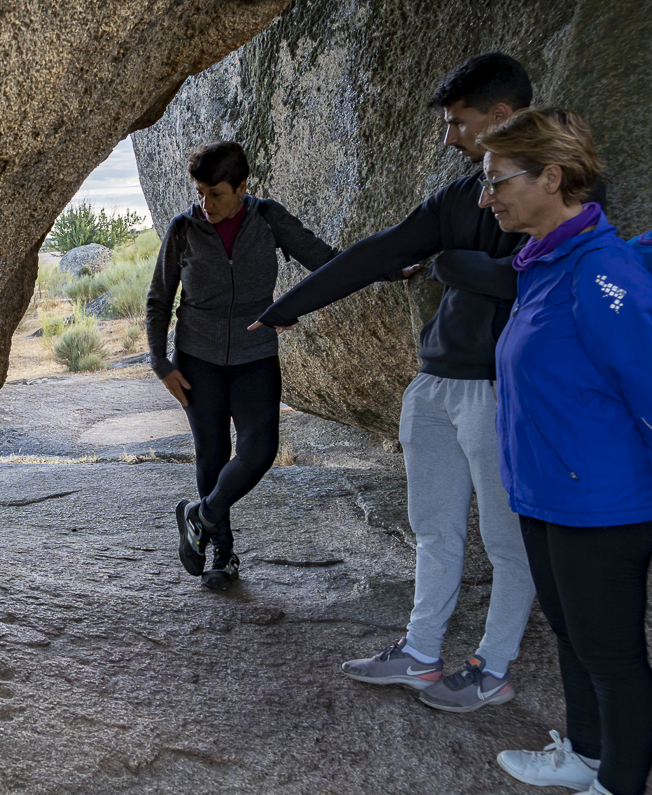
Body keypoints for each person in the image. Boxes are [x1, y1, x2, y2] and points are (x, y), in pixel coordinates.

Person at [249, 53, 577, 712]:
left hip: (498, 391)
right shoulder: (459, 197)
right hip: (433, 386)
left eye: (459, 123)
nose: (449, 137)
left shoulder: (559, 191)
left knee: (508, 540)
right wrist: (285, 309)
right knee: (433, 525)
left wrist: (452, 261)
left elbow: (533, 280)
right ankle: (421, 654)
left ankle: (494, 665)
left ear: (501, 117)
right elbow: (379, 252)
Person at [480, 108, 652, 795]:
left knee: (611, 652)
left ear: (552, 177)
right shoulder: (544, 266)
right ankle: (585, 757)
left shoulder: (602, 271)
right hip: (552, 493)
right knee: (574, 637)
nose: (488, 197)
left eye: (497, 181)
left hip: (605, 501)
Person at [146, 141, 338, 591]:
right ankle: (222, 555)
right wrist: (160, 362)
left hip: (255, 356)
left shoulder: (267, 218)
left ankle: (200, 515)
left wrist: (388, 267)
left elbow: (326, 262)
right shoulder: (183, 231)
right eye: (200, 193)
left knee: (259, 450)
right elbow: (159, 300)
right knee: (212, 455)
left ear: (241, 187)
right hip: (198, 359)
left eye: (216, 193)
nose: (205, 204)